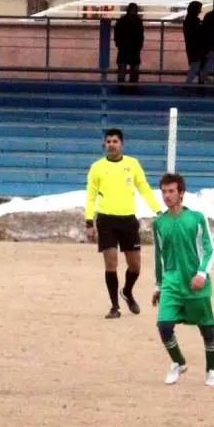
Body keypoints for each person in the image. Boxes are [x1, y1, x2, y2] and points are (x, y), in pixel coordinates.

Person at [85, 127, 162, 319]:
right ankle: (114, 306)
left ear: (122, 144)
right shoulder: (97, 167)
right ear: (104, 144)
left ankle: (127, 291)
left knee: (135, 266)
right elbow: (90, 196)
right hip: (106, 220)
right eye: (108, 141)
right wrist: (89, 222)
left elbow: (144, 188)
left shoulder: (133, 164)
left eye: (115, 141)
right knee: (111, 263)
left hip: (128, 220)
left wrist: (158, 210)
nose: (111, 145)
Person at [151, 173, 214, 387]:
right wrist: (158, 284)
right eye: (164, 191)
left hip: (195, 283)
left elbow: (210, 249)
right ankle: (178, 363)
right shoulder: (159, 223)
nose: (167, 195)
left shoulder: (197, 218)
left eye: (171, 191)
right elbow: (159, 255)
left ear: (181, 193)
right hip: (172, 283)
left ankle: (212, 371)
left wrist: (202, 273)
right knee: (163, 325)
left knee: (206, 329)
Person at [113, 2, 144, 91]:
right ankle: (132, 87)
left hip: (126, 48)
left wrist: (118, 44)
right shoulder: (138, 22)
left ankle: (122, 87)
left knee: (124, 68)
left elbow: (117, 34)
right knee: (132, 69)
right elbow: (141, 36)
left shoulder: (122, 21)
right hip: (131, 48)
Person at [181, 0, 205, 86]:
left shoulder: (188, 21)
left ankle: (191, 85)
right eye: (199, 9)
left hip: (192, 48)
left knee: (195, 67)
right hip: (196, 49)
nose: (200, 11)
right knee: (197, 68)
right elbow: (198, 34)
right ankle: (191, 86)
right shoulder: (193, 22)